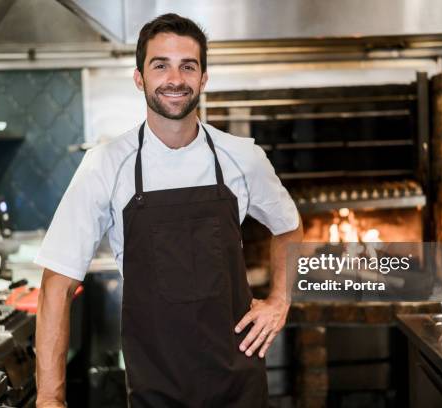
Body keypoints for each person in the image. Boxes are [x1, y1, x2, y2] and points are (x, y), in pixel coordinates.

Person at [34, 13, 303, 408]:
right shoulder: (106, 164)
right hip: (154, 388)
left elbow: (289, 228)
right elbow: (56, 283)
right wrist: (49, 400)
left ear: (203, 79)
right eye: (160, 65)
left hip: (239, 383)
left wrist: (280, 300)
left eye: (187, 66)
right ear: (140, 78)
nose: (174, 79)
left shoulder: (243, 158)